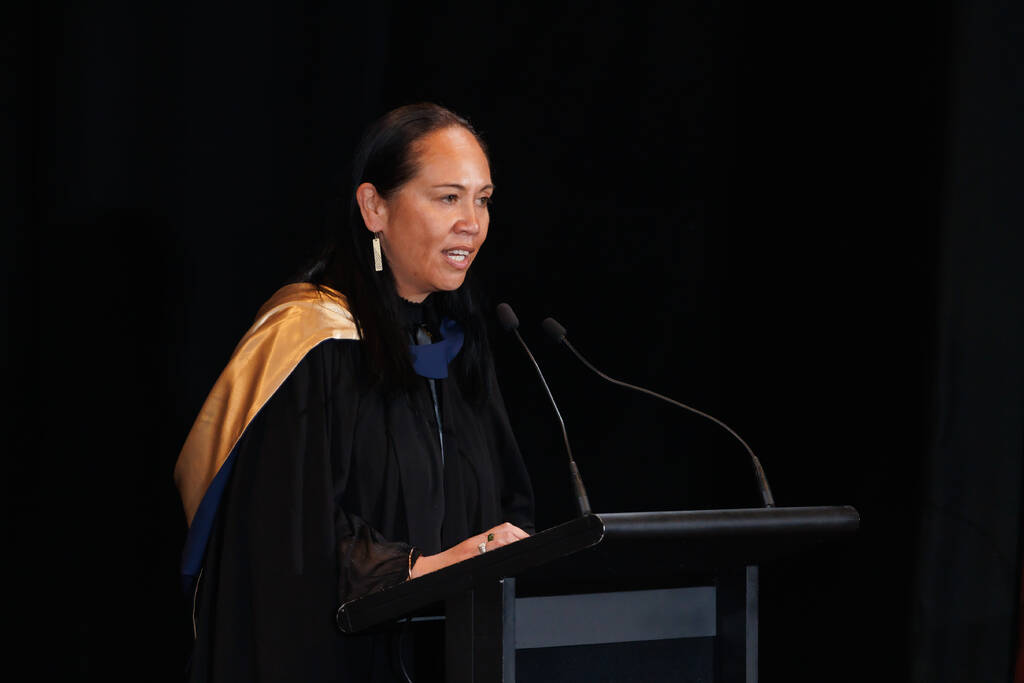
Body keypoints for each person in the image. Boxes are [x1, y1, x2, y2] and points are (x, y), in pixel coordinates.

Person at [174, 102, 535, 681]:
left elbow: (508, 508)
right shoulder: (312, 340)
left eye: (482, 199)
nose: (472, 221)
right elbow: (285, 538)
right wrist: (419, 570)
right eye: (448, 197)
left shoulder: (458, 344)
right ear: (375, 207)